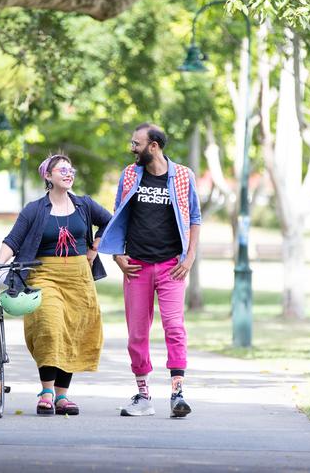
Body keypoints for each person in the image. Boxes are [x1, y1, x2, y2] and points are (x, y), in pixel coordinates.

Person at [98, 123, 201, 418]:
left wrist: (189, 257)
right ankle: (143, 396)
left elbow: (194, 217)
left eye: (136, 144)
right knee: (137, 334)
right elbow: (117, 214)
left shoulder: (183, 176)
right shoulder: (130, 175)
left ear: (153, 146)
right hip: (137, 267)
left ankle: (177, 393)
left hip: (171, 266)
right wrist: (118, 254)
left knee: (174, 327)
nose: (132, 148)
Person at [0, 154, 112, 416]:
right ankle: (46, 392)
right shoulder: (35, 209)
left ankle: (62, 397)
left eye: (71, 169)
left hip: (79, 278)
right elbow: (13, 240)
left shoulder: (84, 205)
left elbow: (110, 221)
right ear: (48, 176)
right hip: (43, 275)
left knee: (72, 331)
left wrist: (95, 247)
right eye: (62, 170)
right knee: (50, 325)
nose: (68, 173)